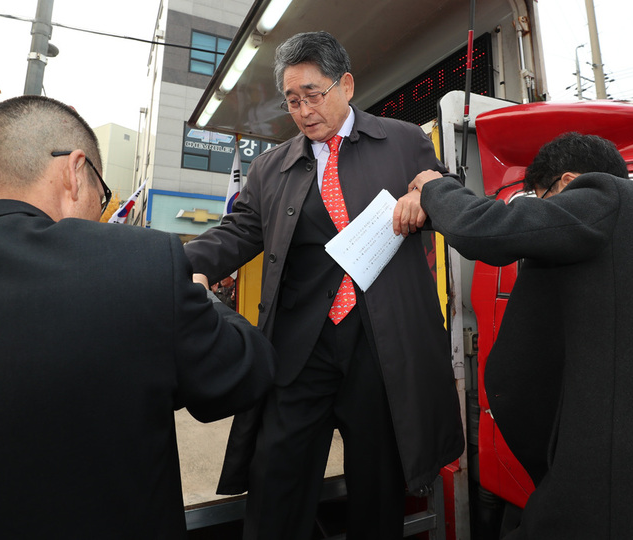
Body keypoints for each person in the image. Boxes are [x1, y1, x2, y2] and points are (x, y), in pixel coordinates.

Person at [0, 95, 276, 539]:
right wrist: (203, 297)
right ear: (74, 173)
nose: (100, 213)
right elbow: (241, 375)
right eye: (102, 195)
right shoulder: (139, 269)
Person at [393, 132, 633, 539]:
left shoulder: (609, 196)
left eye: (539, 199)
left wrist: (435, 187)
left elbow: (488, 230)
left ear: (567, 184)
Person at [184, 31, 463, 539]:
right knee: (277, 482)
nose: (304, 110)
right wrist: (170, 262)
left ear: (346, 85)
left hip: (378, 348)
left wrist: (430, 196)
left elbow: (448, 193)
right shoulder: (273, 166)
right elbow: (240, 230)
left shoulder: (402, 141)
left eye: (314, 94)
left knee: (377, 486)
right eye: (293, 100)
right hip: (300, 348)